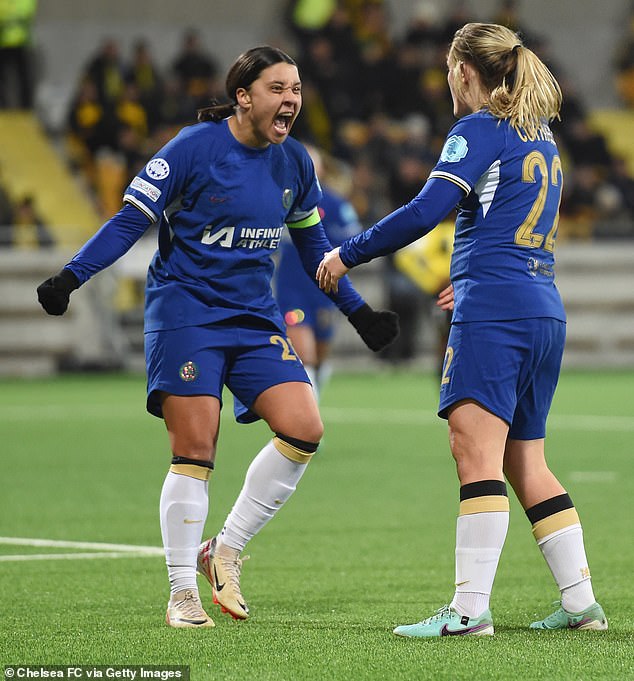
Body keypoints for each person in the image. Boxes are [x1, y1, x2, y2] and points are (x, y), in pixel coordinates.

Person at [36, 45, 398, 629]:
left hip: (255, 316)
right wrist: (69, 278)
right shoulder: (193, 148)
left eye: (297, 90)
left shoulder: (296, 162)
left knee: (305, 428)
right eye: (279, 89)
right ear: (244, 96)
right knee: (196, 448)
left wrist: (359, 312)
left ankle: (222, 549)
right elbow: (132, 220)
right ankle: (181, 592)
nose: (291, 101)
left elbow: (313, 251)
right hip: (187, 312)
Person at [317, 23, 607, 637]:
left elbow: (426, 210)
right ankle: (580, 601)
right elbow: (509, 224)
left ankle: (470, 611)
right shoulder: (541, 137)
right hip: (539, 306)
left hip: (496, 312)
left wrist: (350, 253)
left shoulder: (477, 129)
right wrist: (473, 272)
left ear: (464, 72)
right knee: (527, 461)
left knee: (473, 452)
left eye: (450, 71)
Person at [274, 143, 362, 400]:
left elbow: (354, 240)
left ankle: (313, 402)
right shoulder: (279, 201)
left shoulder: (336, 205)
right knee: (305, 356)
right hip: (292, 289)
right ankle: (308, 424)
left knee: (321, 356)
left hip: (324, 290)